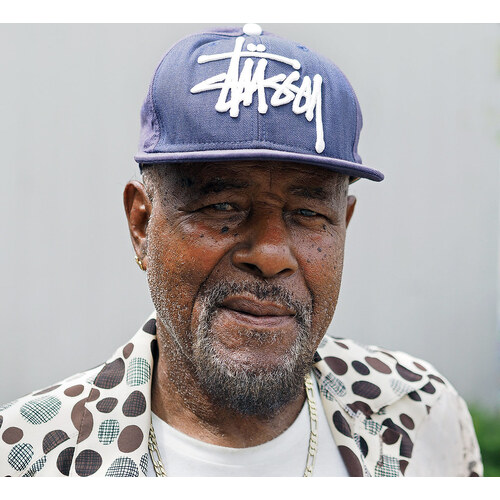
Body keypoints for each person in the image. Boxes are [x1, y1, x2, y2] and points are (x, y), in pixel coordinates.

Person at [0, 24, 482, 477]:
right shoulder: (28, 458)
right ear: (142, 224)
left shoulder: (420, 413)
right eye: (222, 206)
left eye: (308, 213)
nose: (270, 254)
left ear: (344, 225)